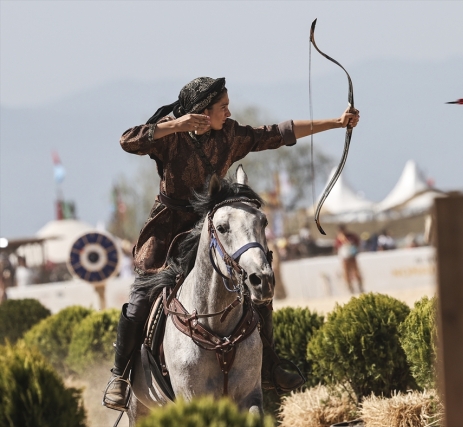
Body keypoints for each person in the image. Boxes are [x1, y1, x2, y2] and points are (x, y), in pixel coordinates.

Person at [103, 76, 360, 411]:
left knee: (258, 284)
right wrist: (174, 126)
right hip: (167, 231)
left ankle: (270, 366)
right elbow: (128, 140)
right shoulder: (172, 133)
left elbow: (278, 133)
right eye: (222, 106)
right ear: (201, 111)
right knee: (139, 300)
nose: (228, 111)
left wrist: (336, 122)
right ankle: (120, 377)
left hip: (212, 228)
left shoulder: (230, 135)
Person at [334, 225, 364, 294]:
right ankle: (350, 288)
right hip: (345, 258)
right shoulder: (338, 239)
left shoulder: (351, 236)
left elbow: (357, 242)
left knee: (356, 272)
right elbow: (336, 247)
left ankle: (360, 287)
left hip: (352, 257)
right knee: (346, 273)